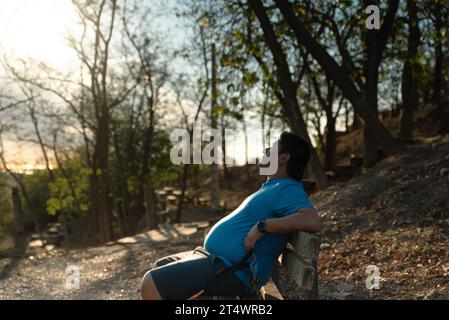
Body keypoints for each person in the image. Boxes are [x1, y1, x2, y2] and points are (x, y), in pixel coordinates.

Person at [140, 132, 321, 300]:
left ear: (284, 157)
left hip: (235, 271)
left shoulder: (288, 188)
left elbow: (312, 220)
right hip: (219, 261)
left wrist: (263, 226)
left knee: (151, 283)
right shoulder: (274, 186)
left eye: (270, 149)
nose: (265, 152)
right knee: (160, 265)